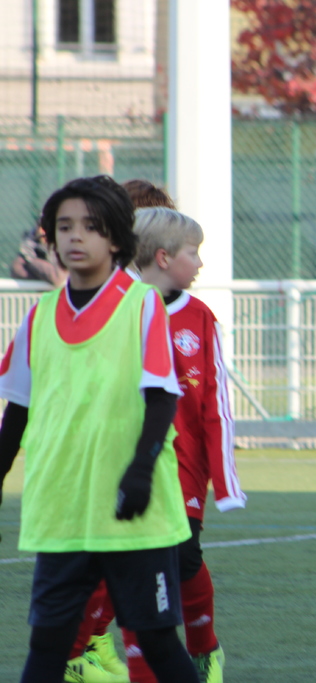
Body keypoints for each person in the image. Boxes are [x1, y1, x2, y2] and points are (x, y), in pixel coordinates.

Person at [0, 175, 199, 683]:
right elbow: (17, 411)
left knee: (156, 641)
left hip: (133, 515)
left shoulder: (142, 305)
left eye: (90, 227)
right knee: (48, 646)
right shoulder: (38, 318)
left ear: (115, 239)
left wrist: (140, 470)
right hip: (62, 510)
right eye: (64, 226)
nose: (75, 236)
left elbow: (162, 398)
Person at [68, 201, 244, 683]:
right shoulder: (110, 309)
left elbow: (215, 404)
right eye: (194, 252)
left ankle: (204, 651)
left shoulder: (200, 318)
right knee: (120, 569)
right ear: (164, 257)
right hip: (120, 465)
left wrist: (226, 482)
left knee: (176, 562)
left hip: (181, 470)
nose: (201, 262)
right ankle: (73, 654)